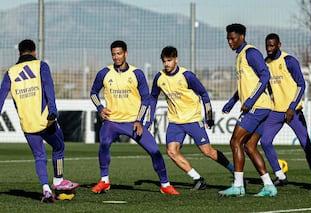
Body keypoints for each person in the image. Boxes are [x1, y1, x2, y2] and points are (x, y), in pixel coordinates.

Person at [90, 40, 179, 195]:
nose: (116, 57)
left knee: (155, 151)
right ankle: (104, 181)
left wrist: (139, 120)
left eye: (119, 53)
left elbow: (147, 99)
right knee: (104, 143)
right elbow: (93, 93)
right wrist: (100, 108)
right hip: (112, 122)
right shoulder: (104, 73)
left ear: (126, 53)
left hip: (133, 122)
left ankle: (165, 185)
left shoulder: (137, 73)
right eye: (113, 54)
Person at [0, 39, 79, 203]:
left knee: (39, 156)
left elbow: (1, 98)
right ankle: (58, 182)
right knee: (59, 147)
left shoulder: (10, 73)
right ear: (34, 52)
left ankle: (46, 190)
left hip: (27, 124)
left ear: (19, 53)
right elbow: (49, 87)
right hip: (45, 120)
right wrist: (53, 110)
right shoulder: (40, 66)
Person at [146, 46, 234, 191]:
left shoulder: (187, 76)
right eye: (164, 61)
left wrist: (209, 117)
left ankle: (234, 171)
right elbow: (153, 98)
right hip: (175, 122)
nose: (166, 64)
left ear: (176, 60)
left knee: (207, 151)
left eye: (169, 60)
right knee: (171, 151)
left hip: (193, 119)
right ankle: (198, 178)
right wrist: (149, 120)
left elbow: (204, 94)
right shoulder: (159, 77)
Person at [218, 24, 277, 197]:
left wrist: (250, 101)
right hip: (261, 107)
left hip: (257, 107)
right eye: (228, 38)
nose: (230, 42)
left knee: (235, 142)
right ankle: (269, 186)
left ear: (242, 37)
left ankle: (238, 186)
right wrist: (232, 101)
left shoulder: (251, 53)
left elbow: (265, 75)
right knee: (250, 146)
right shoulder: (240, 56)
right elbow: (246, 85)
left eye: (233, 38)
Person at [260, 33, 311, 188]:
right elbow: (265, 85)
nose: (269, 48)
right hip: (276, 111)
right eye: (267, 45)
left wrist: (292, 107)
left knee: (306, 144)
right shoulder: (265, 63)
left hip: (293, 112)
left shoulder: (289, 61)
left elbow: (301, 84)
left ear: (279, 45)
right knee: (265, 141)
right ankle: (280, 175)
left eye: (272, 45)